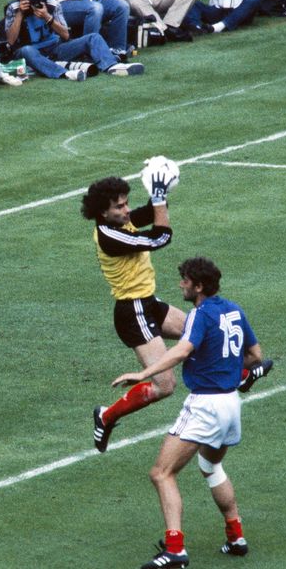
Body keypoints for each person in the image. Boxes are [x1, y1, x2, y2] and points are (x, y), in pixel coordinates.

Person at [112, 257, 273, 568]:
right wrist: (237, 371)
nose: (181, 285)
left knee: (161, 473)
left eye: (185, 280)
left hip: (205, 405)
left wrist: (143, 374)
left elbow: (182, 350)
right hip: (230, 405)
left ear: (198, 286)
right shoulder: (234, 310)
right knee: (211, 467)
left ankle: (175, 549)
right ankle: (235, 535)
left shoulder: (200, 314)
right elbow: (255, 355)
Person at [81, 168, 186, 452]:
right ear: (103, 213)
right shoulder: (109, 237)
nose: (127, 210)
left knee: (198, 332)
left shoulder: (120, 222)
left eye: (126, 203)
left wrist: (159, 193)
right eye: (120, 206)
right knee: (165, 386)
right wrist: (160, 198)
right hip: (133, 312)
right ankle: (107, 415)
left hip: (148, 303)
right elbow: (161, 237)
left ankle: (241, 375)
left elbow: (152, 213)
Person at [5, 0, 145, 80]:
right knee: (27, 50)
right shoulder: (14, 8)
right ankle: (63, 73)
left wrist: (47, 17)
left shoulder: (52, 5)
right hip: (30, 52)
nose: (31, 3)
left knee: (93, 38)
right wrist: (20, 14)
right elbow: (10, 41)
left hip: (55, 48)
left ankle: (111, 66)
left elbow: (66, 36)